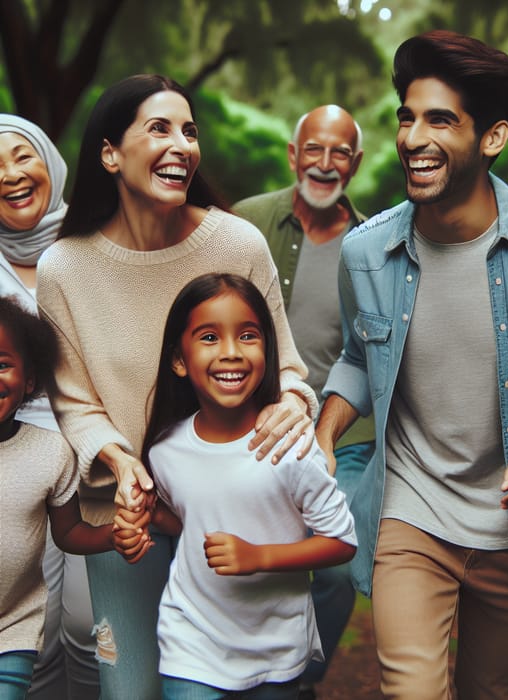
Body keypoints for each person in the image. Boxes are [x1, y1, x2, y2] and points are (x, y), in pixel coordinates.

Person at [314, 30, 508, 700]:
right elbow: (360, 357)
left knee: (491, 690)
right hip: (411, 512)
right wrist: (324, 435)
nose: (413, 137)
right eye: (407, 117)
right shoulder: (364, 253)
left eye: (440, 120)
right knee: (411, 690)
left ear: (493, 137)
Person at [35, 74, 318, 700]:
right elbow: (75, 402)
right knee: (128, 688)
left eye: (189, 131)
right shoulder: (64, 267)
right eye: (159, 128)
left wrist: (293, 407)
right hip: (126, 514)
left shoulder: (236, 242)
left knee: (245, 687)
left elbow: (289, 372)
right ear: (110, 153)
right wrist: (118, 459)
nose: (182, 145)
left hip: (228, 506)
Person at [122, 272, 357, 699]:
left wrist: (258, 556)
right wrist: (148, 515)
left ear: (267, 350)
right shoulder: (164, 449)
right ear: (179, 359)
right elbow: (189, 521)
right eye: (209, 338)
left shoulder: (291, 447)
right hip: (191, 642)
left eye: (247, 336)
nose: (230, 353)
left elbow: (341, 542)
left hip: (276, 650)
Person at [233, 104, 374, 698]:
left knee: (337, 571)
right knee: (239, 559)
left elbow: (374, 350)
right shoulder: (244, 223)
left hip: (343, 439)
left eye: (339, 151)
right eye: (312, 149)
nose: (324, 163)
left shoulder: (373, 244)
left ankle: (301, 674)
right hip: (249, 431)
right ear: (293, 156)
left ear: (356, 162)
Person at [0, 114, 98, 699]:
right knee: (30, 634)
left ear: (50, 163)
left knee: (90, 628)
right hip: (16, 465)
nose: (10, 176)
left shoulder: (92, 246)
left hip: (96, 456)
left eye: (22, 156)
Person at [0, 296, 121, 700]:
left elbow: (69, 533)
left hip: (13, 628)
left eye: (2, 364)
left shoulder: (51, 452)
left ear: (30, 380)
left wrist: (111, 536)